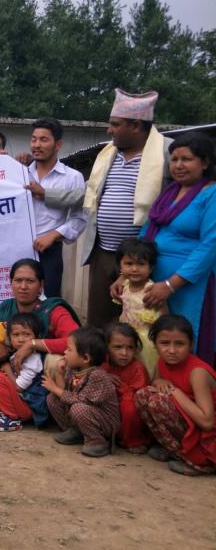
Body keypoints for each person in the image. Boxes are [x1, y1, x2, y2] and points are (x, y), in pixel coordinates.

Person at [81, 88, 171, 327]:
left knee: (140, 320)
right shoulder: (108, 154)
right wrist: (43, 192)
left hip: (143, 258)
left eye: (115, 124)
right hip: (104, 253)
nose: (109, 130)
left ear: (136, 125)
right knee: (99, 320)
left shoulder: (167, 152)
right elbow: (86, 191)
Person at [138, 132, 216, 365]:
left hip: (190, 285)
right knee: (155, 340)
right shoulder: (169, 193)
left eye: (187, 159)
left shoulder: (211, 194)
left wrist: (171, 285)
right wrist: (126, 274)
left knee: (185, 340)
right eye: (174, 159)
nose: (178, 165)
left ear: (205, 162)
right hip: (156, 282)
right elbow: (145, 234)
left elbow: (210, 245)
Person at [0, 259, 81, 378]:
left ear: (41, 285)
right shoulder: (4, 310)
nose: (23, 287)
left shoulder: (52, 310)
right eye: (18, 280)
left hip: (44, 378)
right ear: (11, 283)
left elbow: (78, 342)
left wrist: (32, 344)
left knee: (55, 362)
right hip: (10, 373)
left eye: (30, 281)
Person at [135, 315, 216, 476]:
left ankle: (201, 463)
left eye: (180, 344)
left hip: (208, 435)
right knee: (142, 395)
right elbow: (154, 383)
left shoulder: (197, 372)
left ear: (190, 345)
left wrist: (175, 392)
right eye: (165, 343)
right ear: (155, 344)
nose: (172, 350)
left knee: (158, 402)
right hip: (190, 423)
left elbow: (207, 422)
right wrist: (159, 382)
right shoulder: (162, 362)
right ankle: (176, 451)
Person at [22, 118, 87, 298]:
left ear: (58, 144)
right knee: (15, 303)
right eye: (34, 139)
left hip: (49, 251)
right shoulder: (20, 172)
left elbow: (80, 217)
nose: (37, 145)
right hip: (17, 248)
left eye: (43, 140)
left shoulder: (72, 177)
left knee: (48, 303)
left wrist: (54, 235)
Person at [42, 327, 121, 458]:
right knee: (52, 399)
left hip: (104, 423)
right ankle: (76, 432)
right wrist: (60, 374)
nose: (65, 352)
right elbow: (66, 394)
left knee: (78, 408)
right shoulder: (74, 369)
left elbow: (79, 400)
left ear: (85, 358)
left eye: (69, 350)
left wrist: (55, 388)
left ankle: (97, 441)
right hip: (82, 413)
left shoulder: (98, 376)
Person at [0, 313, 49, 433]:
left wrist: (7, 368)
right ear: (9, 338)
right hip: (19, 400)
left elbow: (19, 387)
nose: (21, 339)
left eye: (27, 334)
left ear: (37, 337)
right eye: (16, 335)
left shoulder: (33, 359)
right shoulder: (16, 354)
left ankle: (13, 418)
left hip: (29, 407)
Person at [112, 238, 165, 376]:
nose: (135, 269)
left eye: (141, 264)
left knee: (145, 370)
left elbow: (164, 317)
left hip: (146, 343)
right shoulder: (124, 286)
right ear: (120, 267)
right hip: (126, 338)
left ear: (151, 267)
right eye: (129, 264)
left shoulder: (152, 290)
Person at [102, 323, 152, 454]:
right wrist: (103, 378)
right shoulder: (102, 364)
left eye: (130, 348)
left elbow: (137, 396)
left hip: (129, 415)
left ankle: (134, 441)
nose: (124, 353)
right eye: (118, 347)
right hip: (108, 410)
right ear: (106, 347)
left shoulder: (137, 368)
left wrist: (121, 388)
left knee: (129, 408)